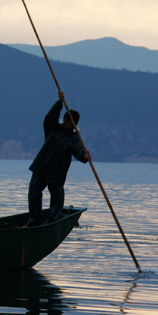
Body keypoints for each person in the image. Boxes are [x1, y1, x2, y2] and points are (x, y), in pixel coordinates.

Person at [27, 91, 90, 226]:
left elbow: (80, 152)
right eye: (68, 122)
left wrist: (86, 156)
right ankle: (33, 220)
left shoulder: (74, 138)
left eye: (73, 124)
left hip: (57, 173)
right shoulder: (53, 129)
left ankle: (54, 221)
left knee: (57, 197)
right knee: (34, 193)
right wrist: (59, 103)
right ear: (65, 120)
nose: (70, 125)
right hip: (42, 167)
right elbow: (49, 118)